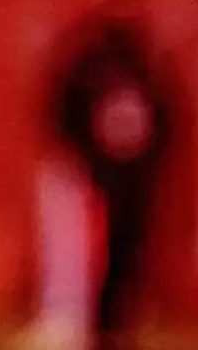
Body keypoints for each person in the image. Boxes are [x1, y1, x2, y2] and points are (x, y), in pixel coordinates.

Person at [52, 21, 171, 350]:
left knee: (128, 255)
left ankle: (119, 323)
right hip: (102, 178)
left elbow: (165, 122)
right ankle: (93, 322)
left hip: (131, 180)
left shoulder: (144, 74)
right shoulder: (93, 74)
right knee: (96, 254)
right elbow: (67, 114)